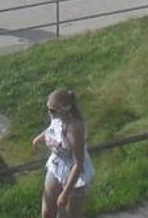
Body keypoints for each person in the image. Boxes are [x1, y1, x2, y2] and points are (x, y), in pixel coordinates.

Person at [33, 88, 93, 218]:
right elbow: (53, 129)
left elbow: (78, 163)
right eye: (48, 109)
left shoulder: (74, 128)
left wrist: (65, 193)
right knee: (47, 213)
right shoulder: (58, 117)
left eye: (52, 110)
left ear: (65, 109)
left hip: (74, 172)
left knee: (67, 215)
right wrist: (39, 138)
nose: (49, 113)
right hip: (57, 165)